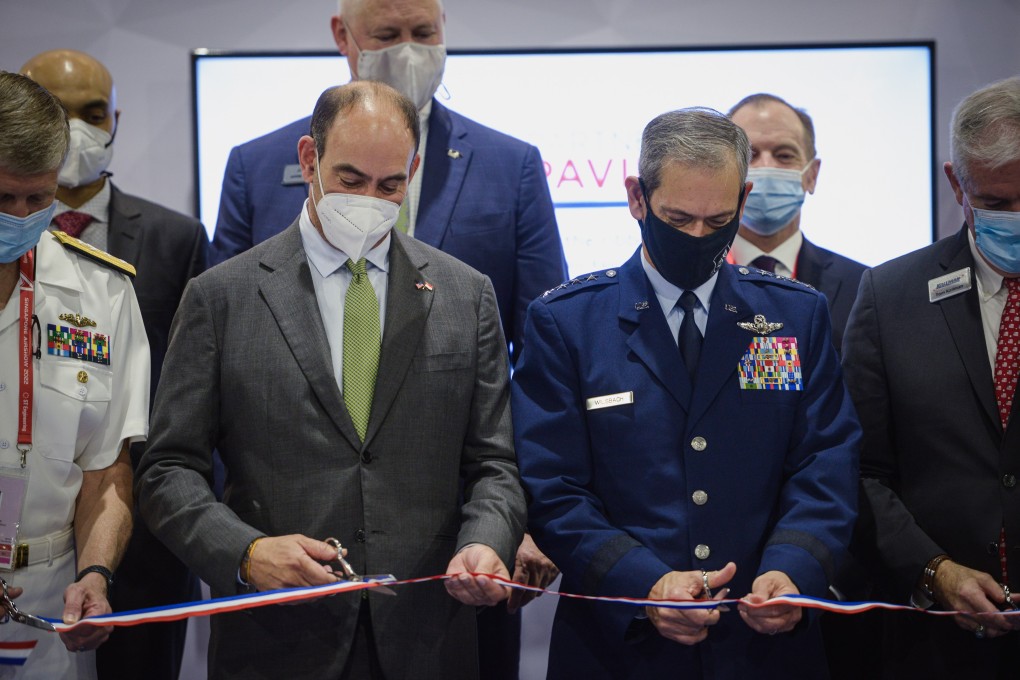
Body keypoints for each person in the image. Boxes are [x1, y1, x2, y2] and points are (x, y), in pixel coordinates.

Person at [136, 81, 526, 680]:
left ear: (414, 171)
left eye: (390, 184)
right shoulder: (221, 297)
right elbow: (167, 469)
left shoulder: (465, 295)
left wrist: (485, 540)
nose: (370, 198)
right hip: (276, 638)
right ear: (308, 159)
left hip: (427, 638)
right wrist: (244, 551)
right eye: (350, 179)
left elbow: (495, 465)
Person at [512, 107, 860, 679]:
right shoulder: (568, 324)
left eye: (717, 219)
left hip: (763, 644)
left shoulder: (796, 315)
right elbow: (553, 488)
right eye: (678, 218)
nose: (699, 236)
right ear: (636, 198)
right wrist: (643, 581)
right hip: (620, 646)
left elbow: (826, 461)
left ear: (742, 201)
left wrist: (794, 565)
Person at [19, 50, 206, 680]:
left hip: (130, 546)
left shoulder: (156, 252)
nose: (75, 129)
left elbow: (190, 404)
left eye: (92, 113)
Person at [842, 75, 1020, 678]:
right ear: (956, 183)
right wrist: (934, 570)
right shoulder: (888, 296)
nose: (1017, 217)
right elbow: (859, 469)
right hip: (935, 645)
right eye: (996, 203)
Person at [0, 71, 149, 678]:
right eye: (2, 198)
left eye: (38, 199)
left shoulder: (101, 290)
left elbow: (108, 468)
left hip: (48, 597)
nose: (20, 215)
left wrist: (95, 572)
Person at [727, 94, 866, 353]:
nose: (766, 166)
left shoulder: (863, 289)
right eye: (750, 155)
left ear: (812, 175)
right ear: (723, 172)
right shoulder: (690, 283)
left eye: (784, 155)